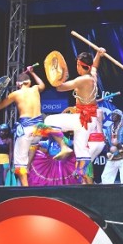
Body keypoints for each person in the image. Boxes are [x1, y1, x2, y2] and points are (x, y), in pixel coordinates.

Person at [44, 50, 106, 184]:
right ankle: (86, 184)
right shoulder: (92, 76)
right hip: (90, 120)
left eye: (77, 65)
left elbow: (59, 88)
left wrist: (58, 76)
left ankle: (64, 146)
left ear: (79, 64)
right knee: (81, 150)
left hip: (81, 119)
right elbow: (95, 66)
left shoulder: (81, 80)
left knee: (48, 121)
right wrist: (98, 54)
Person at [0, 66, 56, 186]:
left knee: (19, 164)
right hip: (39, 129)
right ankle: (27, 168)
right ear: (29, 82)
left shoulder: (16, 94)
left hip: (26, 129)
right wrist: (33, 73)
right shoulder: (35, 89)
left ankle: (25, 188)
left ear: (18, 83)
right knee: (32, 145)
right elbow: (42, 85)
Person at [101, 109, 123, 184]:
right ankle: (107, 194)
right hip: (112, 157)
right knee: (105, 177)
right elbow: (107, 141)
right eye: (112, 114)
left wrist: (122, 144)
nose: (113, 116)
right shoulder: (108, 128)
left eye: (115, 114)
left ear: (120, 117)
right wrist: (108, 152)